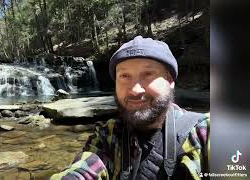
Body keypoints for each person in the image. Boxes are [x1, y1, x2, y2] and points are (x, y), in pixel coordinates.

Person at [50, 36, 210, 180]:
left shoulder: (204, 133)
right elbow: (83, 170)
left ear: (170, 80)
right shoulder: (108, 135)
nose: (135, 89)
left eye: (148, 74)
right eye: (125, 76)